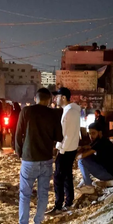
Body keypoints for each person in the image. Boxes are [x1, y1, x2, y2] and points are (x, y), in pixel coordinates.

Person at [10, 88, 63, 224]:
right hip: (46, 159)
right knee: (43, 194)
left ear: (35, 98)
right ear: (49, 100)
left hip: (29, 159)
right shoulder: (53, 113)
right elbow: (59, 136)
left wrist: (20, 153)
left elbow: (18, 133)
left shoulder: (26, 111)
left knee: (25, 195)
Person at [47, 87, 81, 215]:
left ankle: (59, 204)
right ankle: (68, 201)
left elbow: (65, 134)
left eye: (57, 96)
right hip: (70, 148)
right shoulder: (72, 110)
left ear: (63, 97)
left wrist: (60, 150)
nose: (55, 99)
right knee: (66, 175)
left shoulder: (69, 112)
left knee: (58, 177)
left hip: (66, 149)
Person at [77, 122, 113, 194]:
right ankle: (84, 181)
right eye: (89, 134)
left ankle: (89, 187)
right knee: (88, 158)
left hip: (107, 174)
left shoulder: (101, 142)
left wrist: (75, 155)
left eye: (93, 133)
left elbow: (81, 156)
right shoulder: (98, 141)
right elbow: (88, 147)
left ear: (100, 133)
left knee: (81, 161)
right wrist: (83, 148)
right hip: (107, 171)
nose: (91, 136)